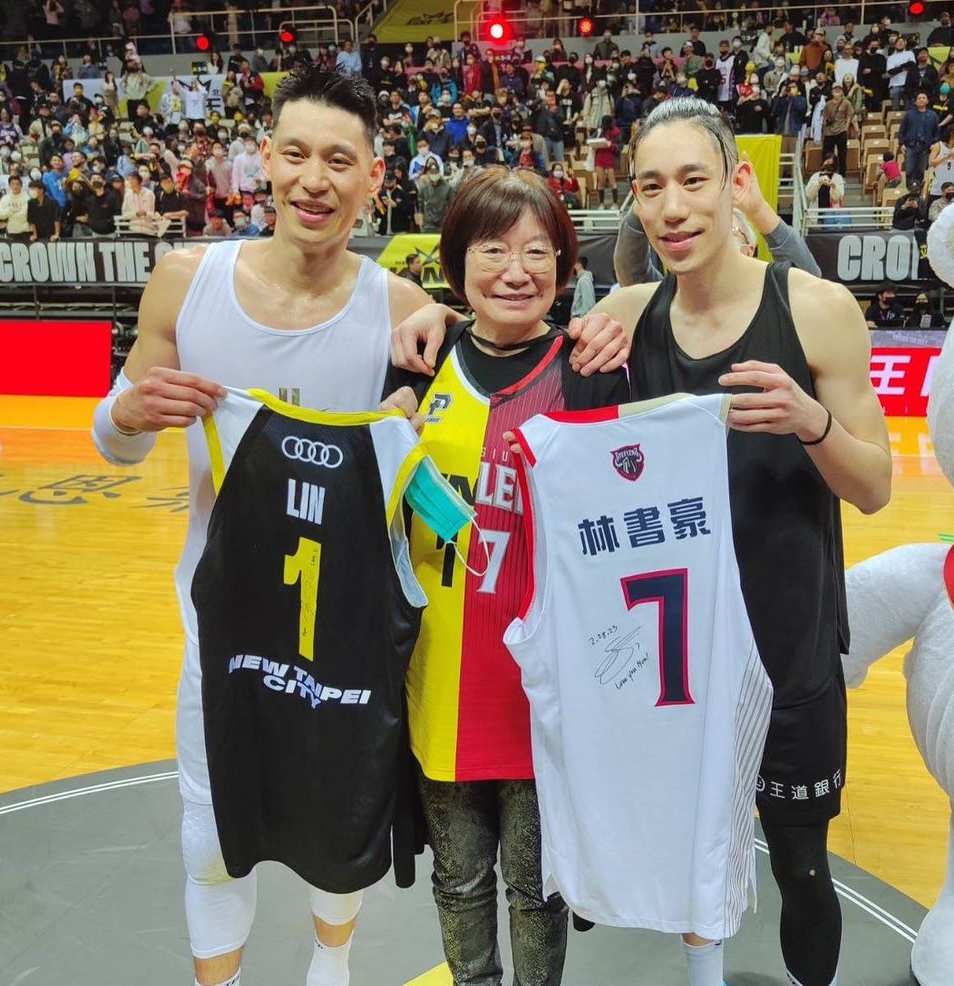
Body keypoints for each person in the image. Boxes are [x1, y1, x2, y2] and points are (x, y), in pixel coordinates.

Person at [391, 97, 891, 986]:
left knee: (802, 870)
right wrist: (430, 318)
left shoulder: (817, 311)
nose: (674, 207)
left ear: (737, 184)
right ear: (633, 202)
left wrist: (812, 422)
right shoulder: (622, 315)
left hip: (787, 642)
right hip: (671, 666)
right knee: (691, 868)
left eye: (694, 180)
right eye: (651, 187)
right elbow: (510, 329)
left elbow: (878, 488)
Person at [89, 64, 442, 986]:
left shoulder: (402, 312)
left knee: (337, 826)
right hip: (223, 620)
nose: (312, 179)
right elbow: (116, 438)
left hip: (348, 632)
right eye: (294, 154)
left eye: (338, 159)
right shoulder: (183, 281)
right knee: (211, 834)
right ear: (265, 163)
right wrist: (126, 416)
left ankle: (335, 969)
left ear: (374, 176)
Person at [385, 166, 629, 986]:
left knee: (536, 888)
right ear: (458, 267)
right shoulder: (423, 364)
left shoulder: (592, 368)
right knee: (458, 881)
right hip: (442, 675)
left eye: (538, 251)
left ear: (565, 267)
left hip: (546, 685)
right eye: (493, 250)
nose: (516, 270)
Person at [615, 150, 823, 284]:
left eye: (730, 232)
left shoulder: (769, 296)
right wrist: (647, 194)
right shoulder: (665, 300)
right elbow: (631, 270)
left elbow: (809, 281)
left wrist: (758, 209)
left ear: (749, 250)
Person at [898, 92, 940, 187]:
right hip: (910, 146)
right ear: (916, 102)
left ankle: (919, 190)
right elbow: (902, 130)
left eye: (923, 98)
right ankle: (909, 190)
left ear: (927, 101)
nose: (921, 100)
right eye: (919, 98)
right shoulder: (909, 114)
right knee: (909, 170)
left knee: (921, 170)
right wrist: (901, 144)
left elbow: (937, 132)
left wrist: (935, 143)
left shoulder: (933, 115)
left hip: (925, 147)